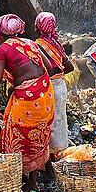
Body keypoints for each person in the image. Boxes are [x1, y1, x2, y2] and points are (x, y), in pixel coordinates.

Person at [0, 14, 54, 191]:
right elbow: (51, 67)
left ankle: (22, 178)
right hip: (45, 95)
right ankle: (32, 179)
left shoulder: (1, 50)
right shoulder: (31, 43)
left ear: (1, 32)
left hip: (27, 98)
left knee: (16, 134)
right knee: (37, 135)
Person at [34, 12, 74, 156]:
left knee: (48, 123)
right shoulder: (56, 44)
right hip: (61, 87)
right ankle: (60, 153)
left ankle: (51, 157)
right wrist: (59, 75)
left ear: (38, 27)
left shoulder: (38, 45)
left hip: (48, 88)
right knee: (60, 120)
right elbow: (70, 67)